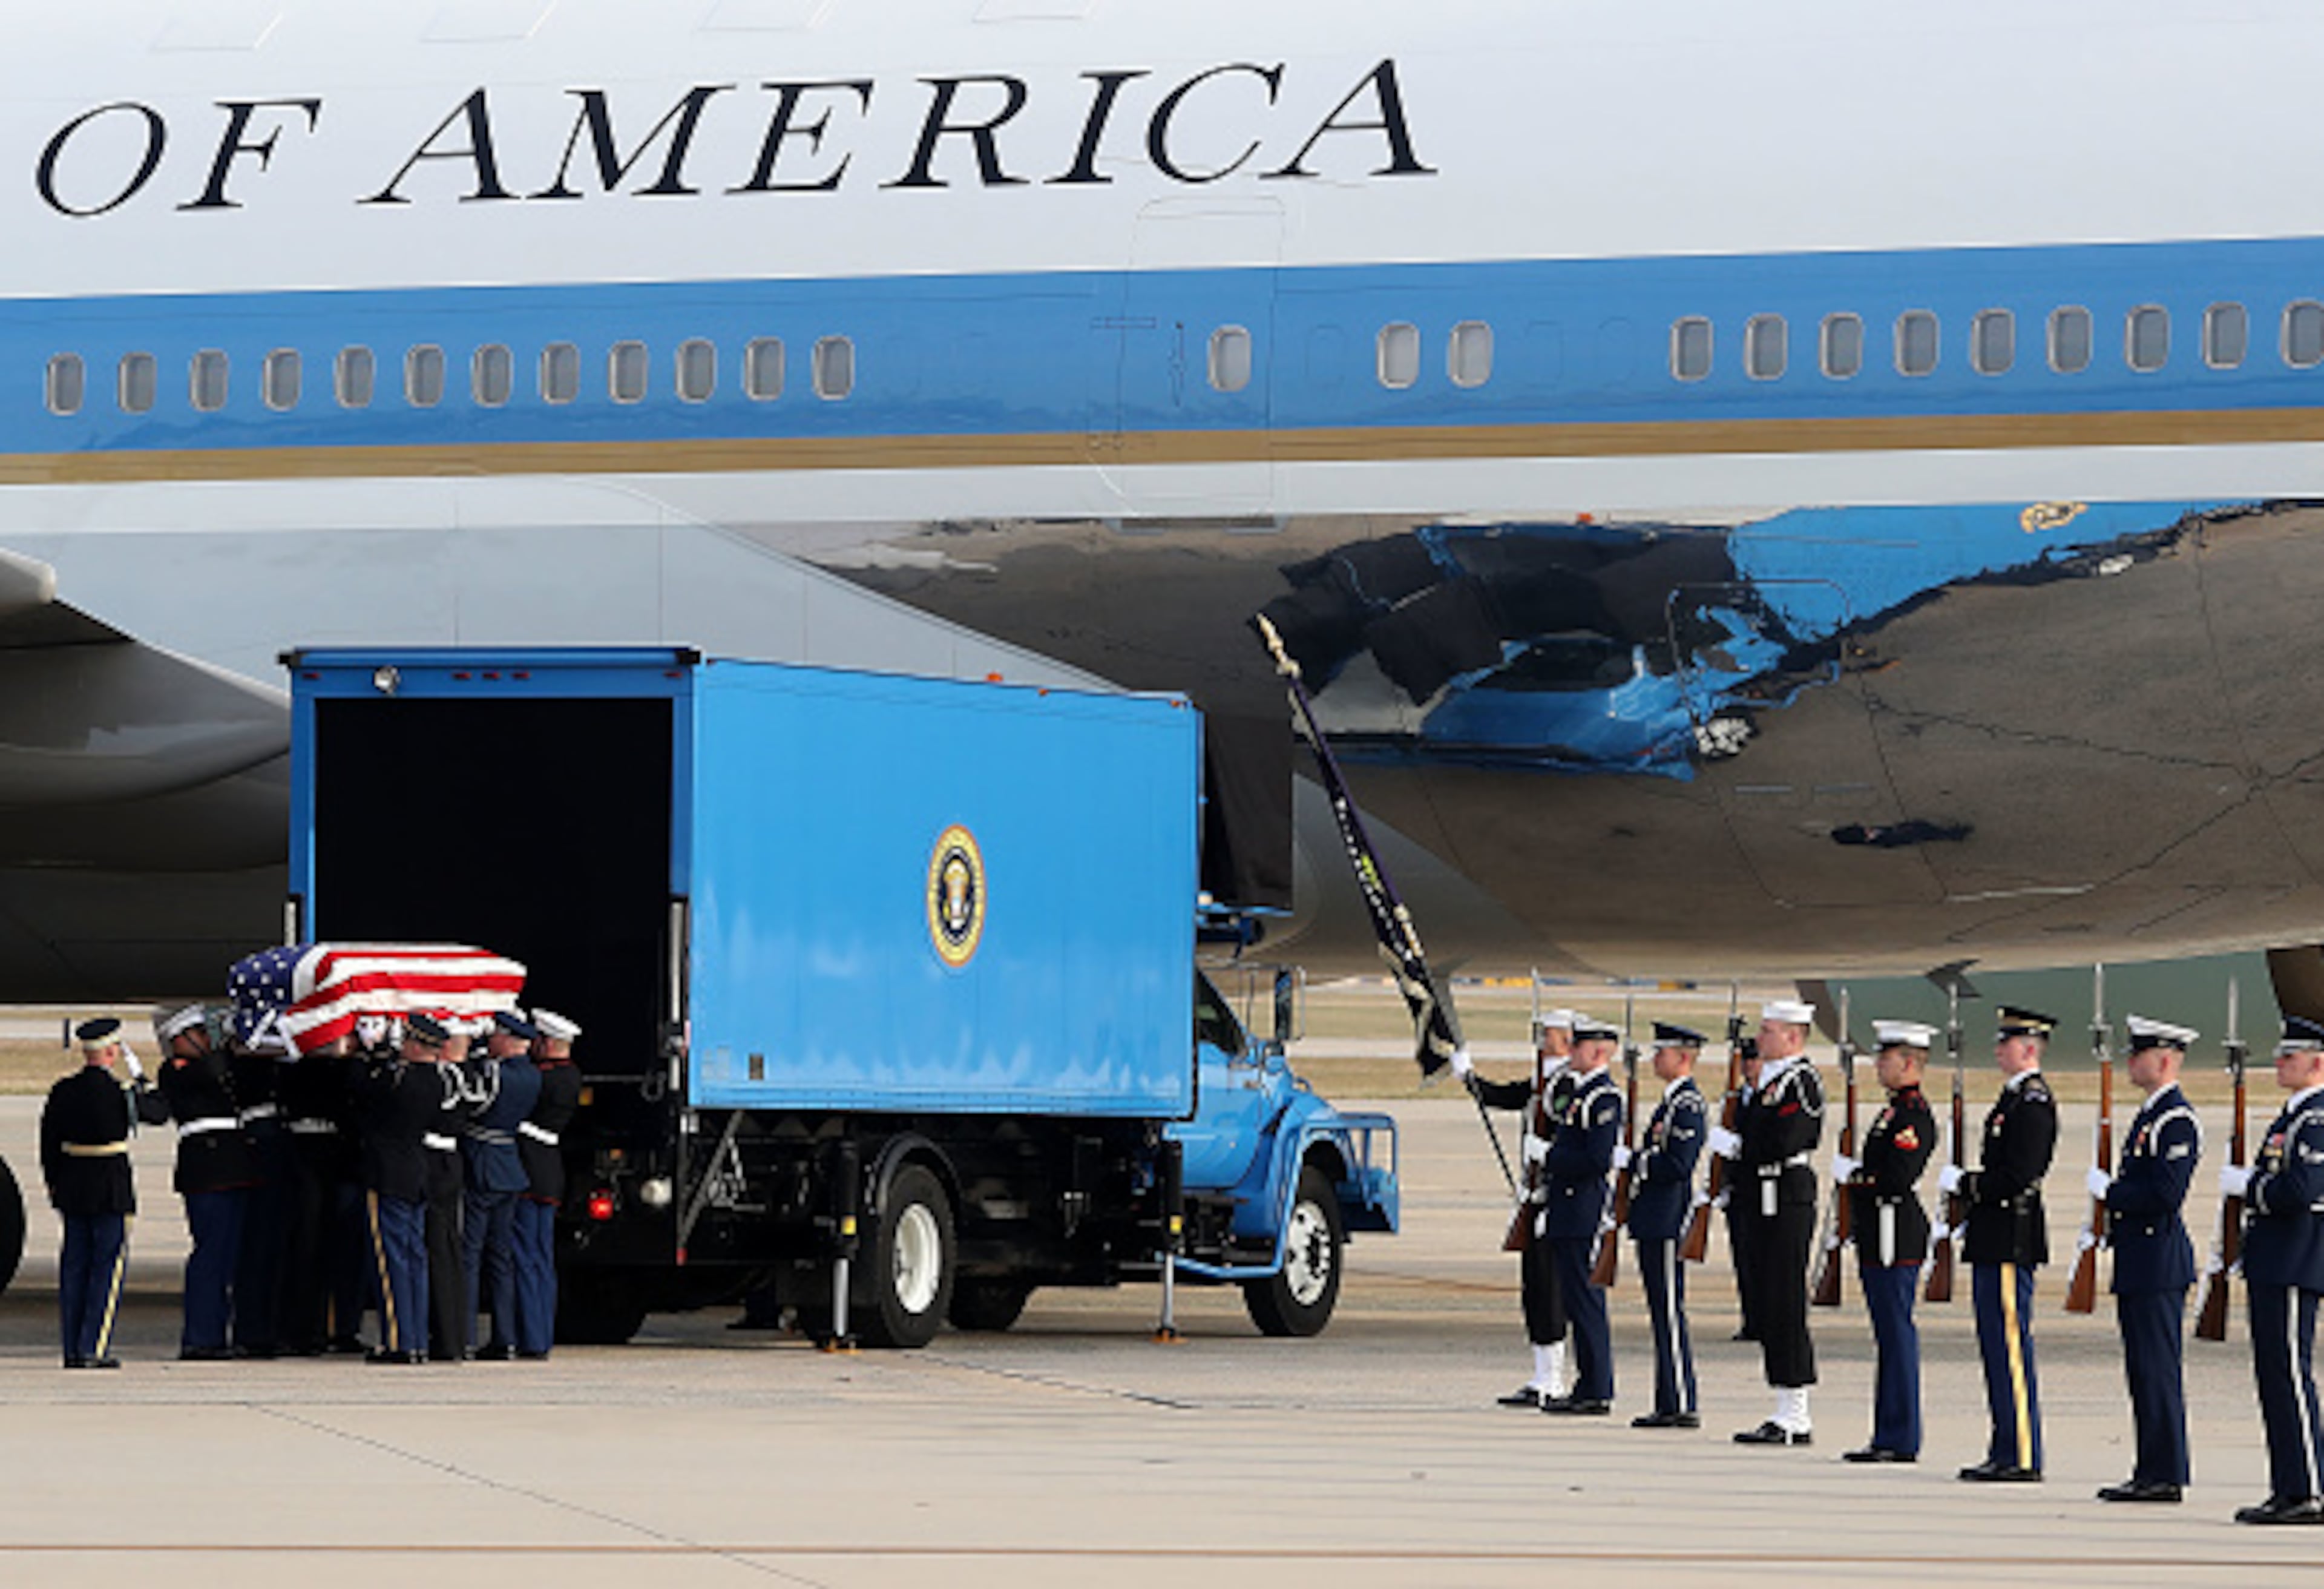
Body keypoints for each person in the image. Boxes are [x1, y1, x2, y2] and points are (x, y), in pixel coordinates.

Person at [1945, 1004, 2059, 1483]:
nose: (1998, 1049)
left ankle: (2023, 1453)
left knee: (2011, 1346)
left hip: (2012, 1235)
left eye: (2007, 1042)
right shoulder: (2012, 1098)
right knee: (1995, 1346)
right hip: (1994, 1235)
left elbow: (2020, 1174)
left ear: (2030, 1049)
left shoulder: (2031, 1102)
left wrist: (1968, 1184)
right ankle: (2005, 1445)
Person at [2090, 1015, 2202, 1504]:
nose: (2131, 1062)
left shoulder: (2176, 1119)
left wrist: (2111, 1192)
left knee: (2158, 1369)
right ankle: (2150, 1467)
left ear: (2165, 1059)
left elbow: (2165, 1193)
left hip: (2158, 1261)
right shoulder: (2150, 1116)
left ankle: (2166, 1472)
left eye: (2140, 1054)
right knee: (2142, 1370)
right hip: (2140, 1259)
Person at [2225, 1013, 2324, 1525]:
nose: (2279, 1061)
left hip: (2294, 1259)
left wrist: (2250, 1187)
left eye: (2291, 1055)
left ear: (2318, 1063)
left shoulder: (2315, 1119)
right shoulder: (2293, 1116)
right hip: (2274, 1259)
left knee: (2289, 1373)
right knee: (2274, 1377)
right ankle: (2289, 1485)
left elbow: (2301, 1191)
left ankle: (2308, 1489)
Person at [1456, 1009, 1576, 1406]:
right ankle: (1542, 1374)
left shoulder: (1568, 1084)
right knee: (1534, 1288)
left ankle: (1555, 1377)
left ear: (1569, 1041)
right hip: (1533, 1196)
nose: (1542, 1040)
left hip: (1558, 1197)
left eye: (1550, 1035)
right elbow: (1502, 1096)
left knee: (1550, 1285)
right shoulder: (1543, 1082)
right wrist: (1467, 1075)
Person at [1720, 999, 1823, 1446]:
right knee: (1766, 1300)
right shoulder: (1770, 1081)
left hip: (1785, 1194)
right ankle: (1783, 1403)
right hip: (1760, 1195)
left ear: (1794, 1037)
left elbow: (1788, 1137)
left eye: (1769, 1031)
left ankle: (1795, 1411)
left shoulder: (1799, 1082)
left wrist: (1739, 1146)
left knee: (1784, 1300)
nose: (1760, 1039)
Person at [1834, 1019, 1937, 1463]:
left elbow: (1896, 1177)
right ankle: (1887, 1431)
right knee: (1887, 1335)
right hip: (1879, 1230)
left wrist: (1855, 1177)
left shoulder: (1912, 1115)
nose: (1879, 1064)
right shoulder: (1892, 1112)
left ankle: (1900, 1435)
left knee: (1897, 1334)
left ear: (1909, 1062)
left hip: (1896, 1230)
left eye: (1886, 1057)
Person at [39, 1019, 156, 1367]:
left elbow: (48, 1142)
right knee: (106, 1268)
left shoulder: (64, 1090)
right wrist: (142, 1080)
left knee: (74, 1266)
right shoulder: (121, 1092)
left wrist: (55, 1183)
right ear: (110, 1052)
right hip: (109, 1185)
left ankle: (72, 1347)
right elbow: (158, 1112)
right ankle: (94, 1346)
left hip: (73, 1183)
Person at [150, 1003, 258, 1360]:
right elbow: (213, 1072)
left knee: (234, 1258)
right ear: (180, 1040)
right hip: (208, 1170)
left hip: (235, 1168)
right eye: (199, 1034)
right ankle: (202, 1337)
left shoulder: (214, 1066)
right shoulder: (177, 1070)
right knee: (211, 1256)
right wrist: (227, 1044)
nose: (206, 1039)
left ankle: (227, 1332)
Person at [358, 1013, 454, 1364]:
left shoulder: (396, 1081)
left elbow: (365, 1101)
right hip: (417, 1172)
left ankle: (399, 1342)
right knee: (415, 1259)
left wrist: (373, 1056)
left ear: (414, 1045)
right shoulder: (437, 1082)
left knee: (391, 1262)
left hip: (388, 1174)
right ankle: (416, 1341)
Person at [1539, 1015, 1623, 1415]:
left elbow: (1596, 1158)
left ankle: (1597, 1387)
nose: (1570, 1052)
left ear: (1598, 1052)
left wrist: (1551, 1157)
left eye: (1578, 1046)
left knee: (1587, 1301)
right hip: (1568, 1206)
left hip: (1584, 1207)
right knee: (1574, 1300)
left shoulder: (1603, 1097)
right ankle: (1587, 1382)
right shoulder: (1580, 1092)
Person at [1627, 1021, 1706, 1429]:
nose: (1656, 1058)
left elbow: (1677, 1164)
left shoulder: (1687, 1105)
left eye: (1664, 1051)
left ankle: (1680, 1401)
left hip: (1666, 1217)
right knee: (1661, 1311)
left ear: (1684, 1057)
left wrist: (1634, 1161)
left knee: (1669, 1313)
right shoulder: (1670, 1103)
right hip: (1653, 1217)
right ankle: (1668, 1398)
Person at [462, 1010, 543, 1358]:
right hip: (509, 1165)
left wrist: (472, 1054)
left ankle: (464, 1334)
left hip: (485, 1164)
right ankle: (505, 1337)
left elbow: (475, 1106)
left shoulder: (495, 1073)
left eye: (496, 1035)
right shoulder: (533, 1075)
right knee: (501, 1260)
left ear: (508, 1040)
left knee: (470, 1256)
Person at [512, 1007, 584, 1360]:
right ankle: (541, 1333)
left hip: (530, 1170)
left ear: (546, 1042)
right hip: (550, 1172)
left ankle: (531, 1337)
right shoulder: (571, 1076)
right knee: (542, 1257)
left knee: (526, 1257)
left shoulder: (543, 1078)